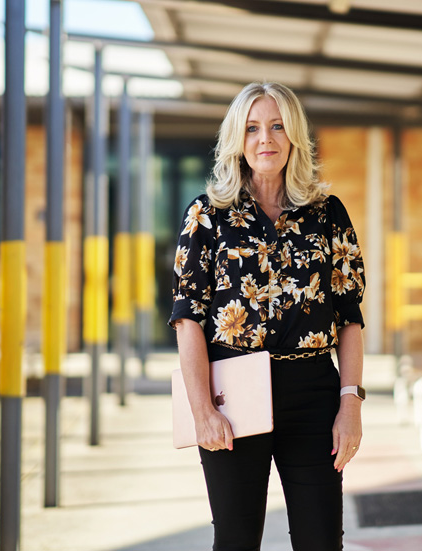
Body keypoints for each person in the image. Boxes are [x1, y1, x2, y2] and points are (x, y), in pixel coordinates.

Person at [168, 81, 366, 551]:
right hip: (233, 395)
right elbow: (187, 318)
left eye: (277, 126)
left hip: (313, 394)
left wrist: (350, 404)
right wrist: (202, 411)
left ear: (294, 135)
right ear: (237, 138)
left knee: (321, 542)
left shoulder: (327, 214)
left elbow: (349, 318)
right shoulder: (207, 215)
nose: (266, 139)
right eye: (253, 128)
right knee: (236, 542)